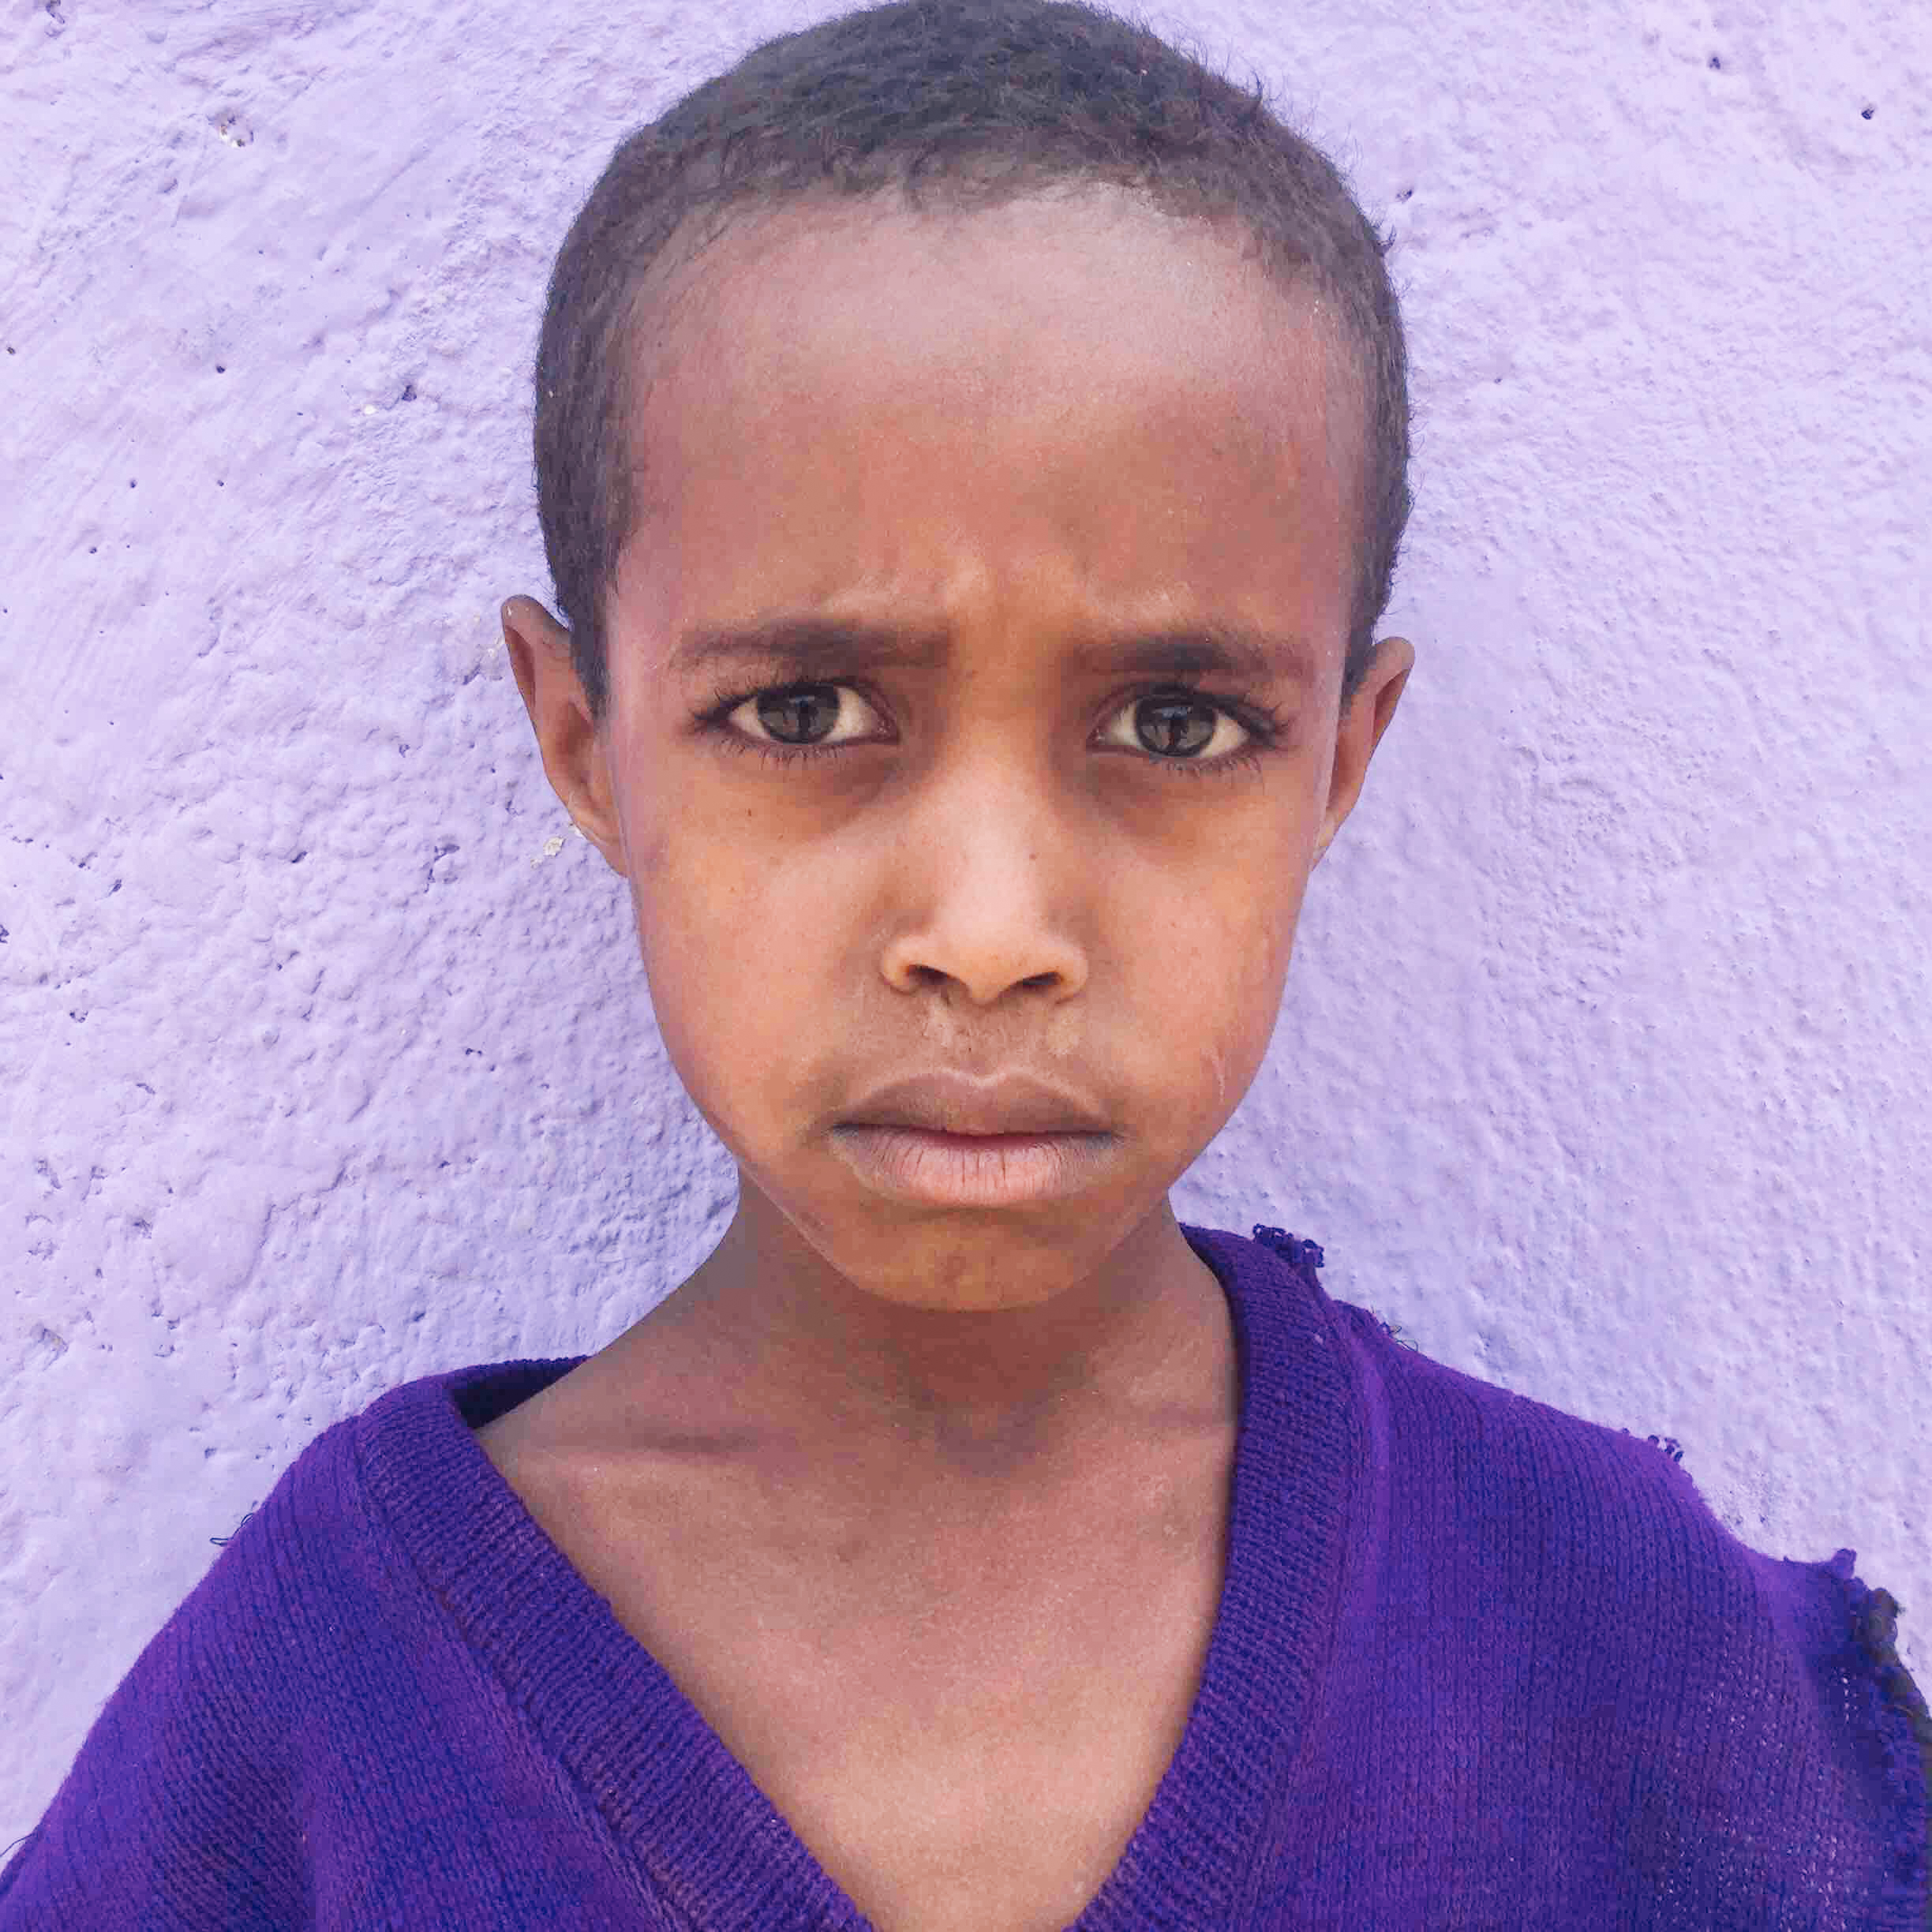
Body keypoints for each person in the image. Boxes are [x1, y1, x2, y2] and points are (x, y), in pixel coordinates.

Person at [3, 2, 1925, 1926]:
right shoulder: (326, 1721)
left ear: (1342, 757)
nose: (990, 938)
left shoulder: (1621, 1647)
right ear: (584, 742)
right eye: (807, 707)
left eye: (1175, 726)